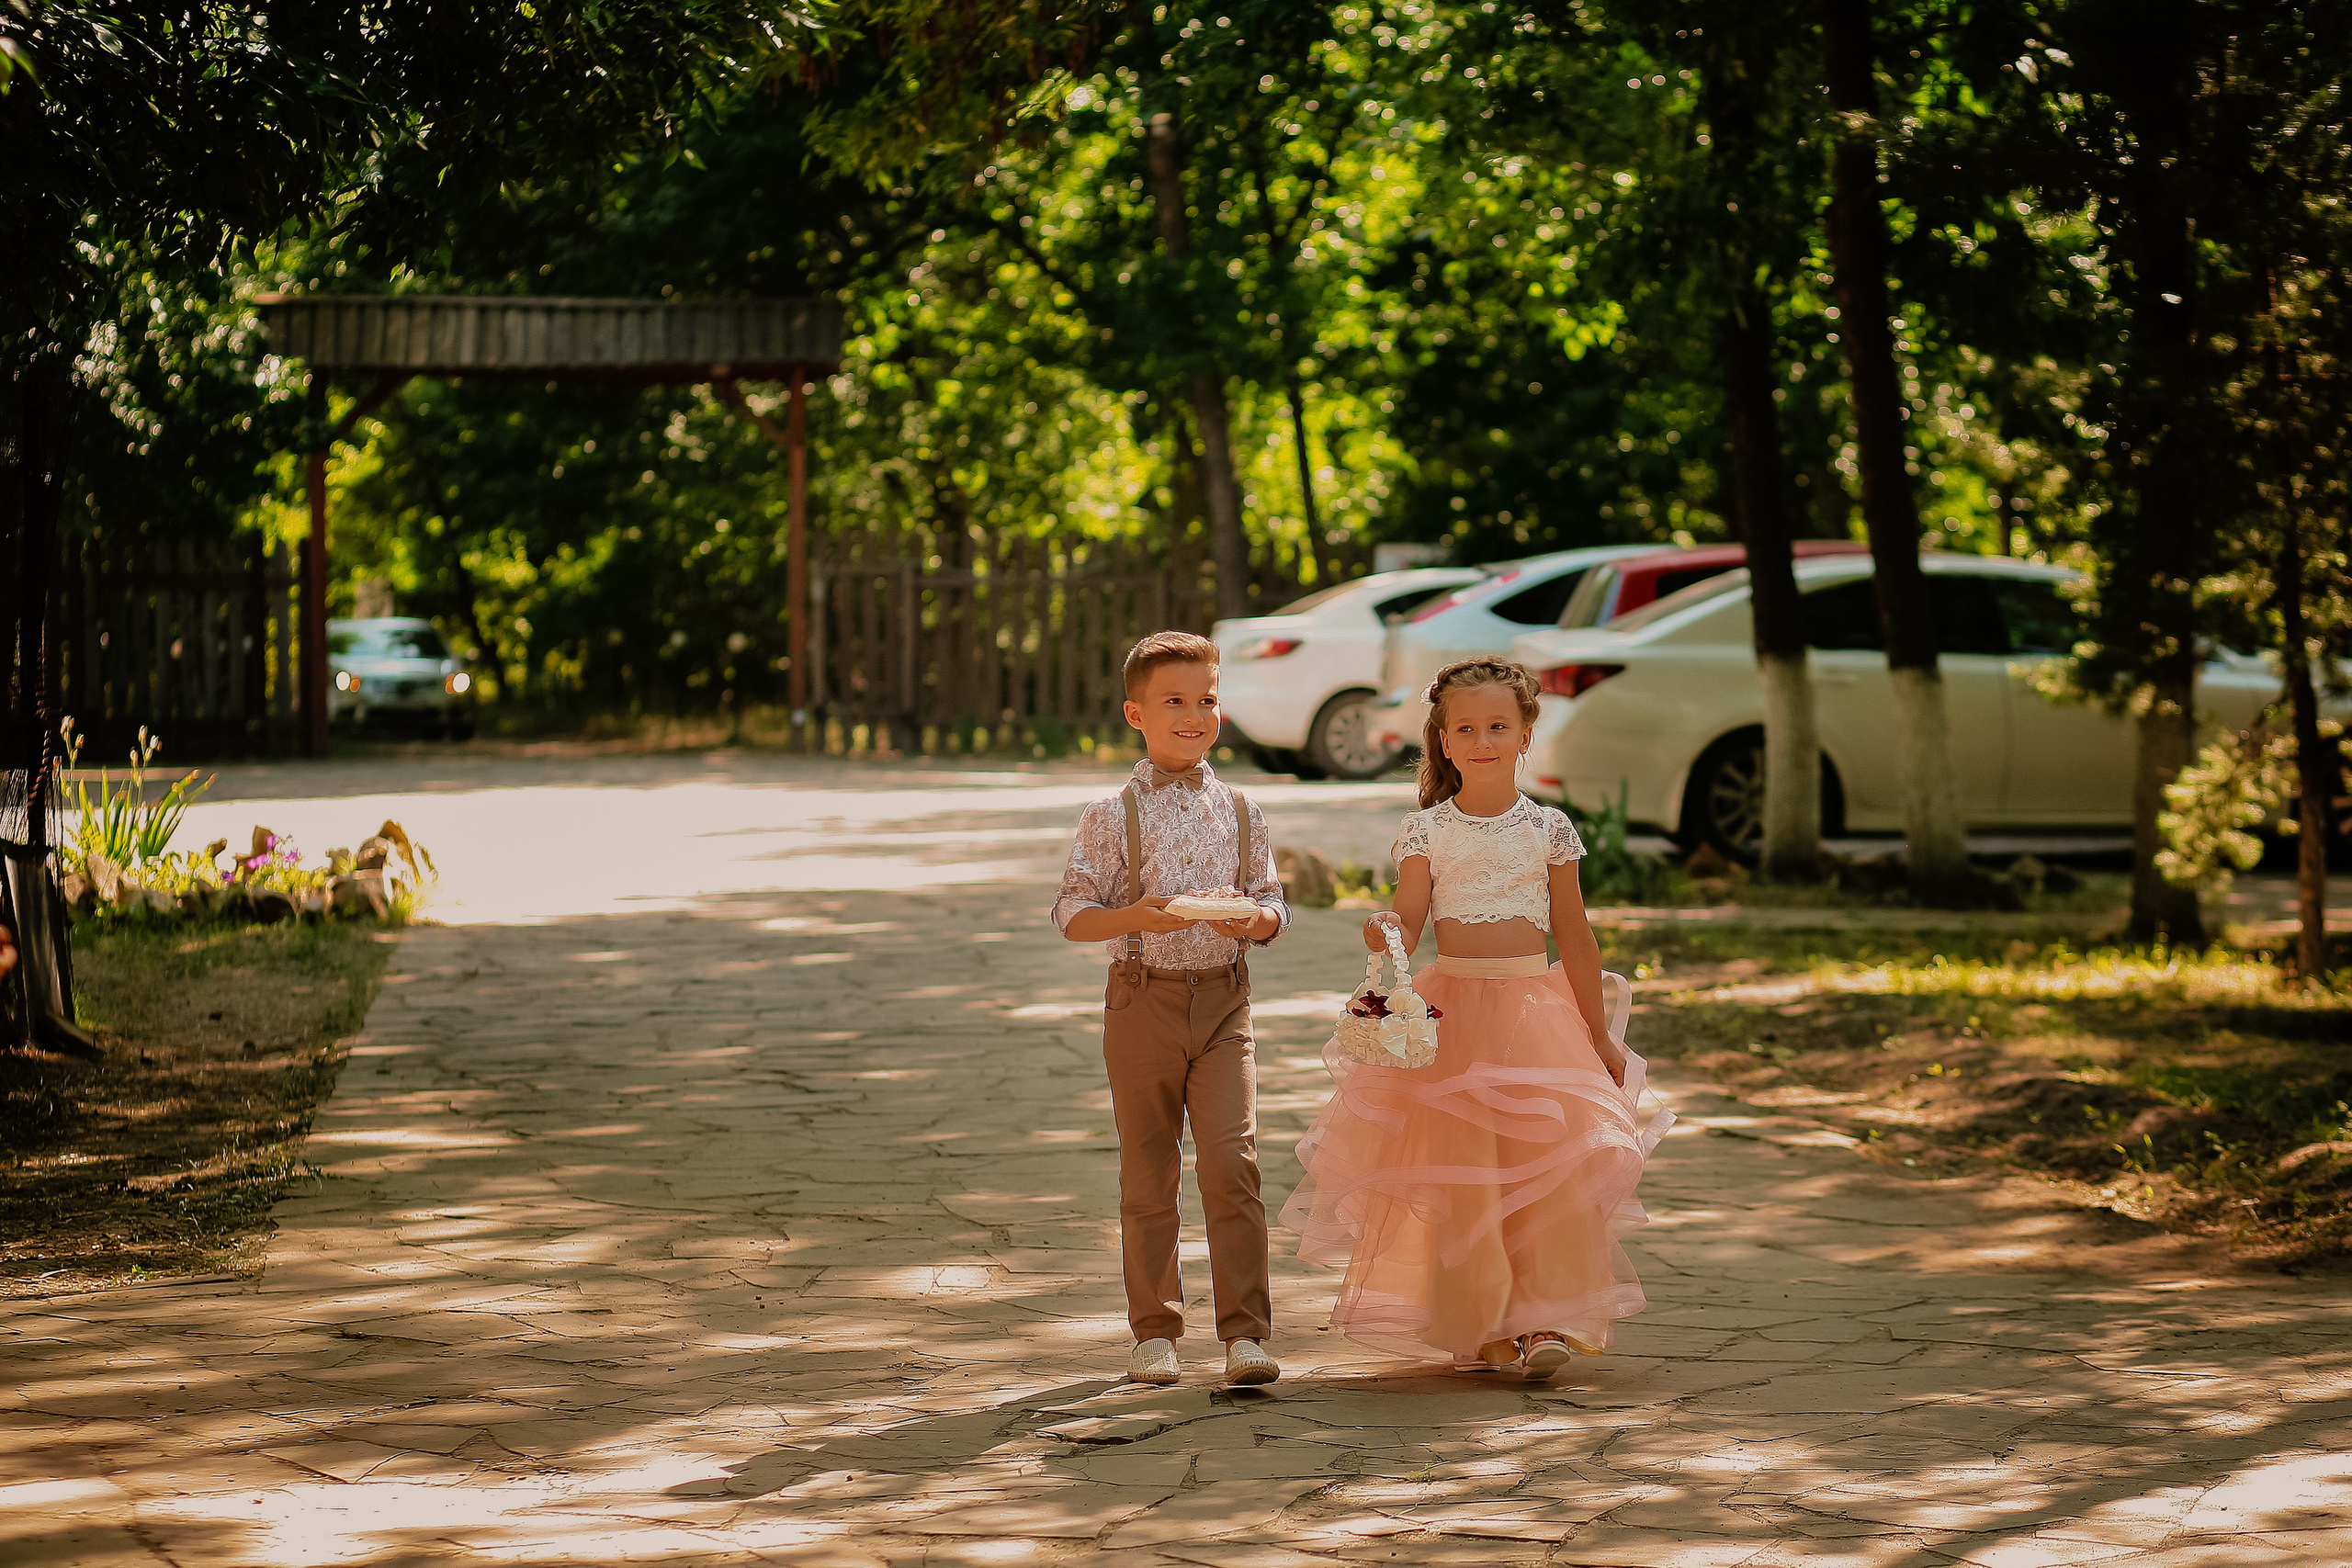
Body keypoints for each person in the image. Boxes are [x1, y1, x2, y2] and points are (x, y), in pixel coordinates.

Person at [1282, 655, 1670, 1378]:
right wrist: (1384, 930)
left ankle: (1545, 1317)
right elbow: (1407, 918)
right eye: (1465, 728)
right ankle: (1485, 1320)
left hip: (1534, 1016)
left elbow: (1575, 935)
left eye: (1498, 725)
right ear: (1444, 739)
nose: (1482, 739)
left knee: (1545, 1172)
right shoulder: (1426, 830)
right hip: (1454, 1015)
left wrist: (1597, 1034)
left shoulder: (1549, 828)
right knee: (1467, 1179)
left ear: (1526, 733)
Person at [1052, 630, 1289, 1387]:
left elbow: (1273, 905)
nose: (1194, 715)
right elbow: (1071, 912)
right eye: (1174, 701)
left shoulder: (1243, 809)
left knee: (1231, 1161)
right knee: (1149, 1170)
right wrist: (1137, 918)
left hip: (1224, 1002)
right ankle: (1154, 1332)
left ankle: (1246, 1334)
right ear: (1136, 714)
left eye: (1207, 699)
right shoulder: (1109, 813)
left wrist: (1251, 919)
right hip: (1141, 999)